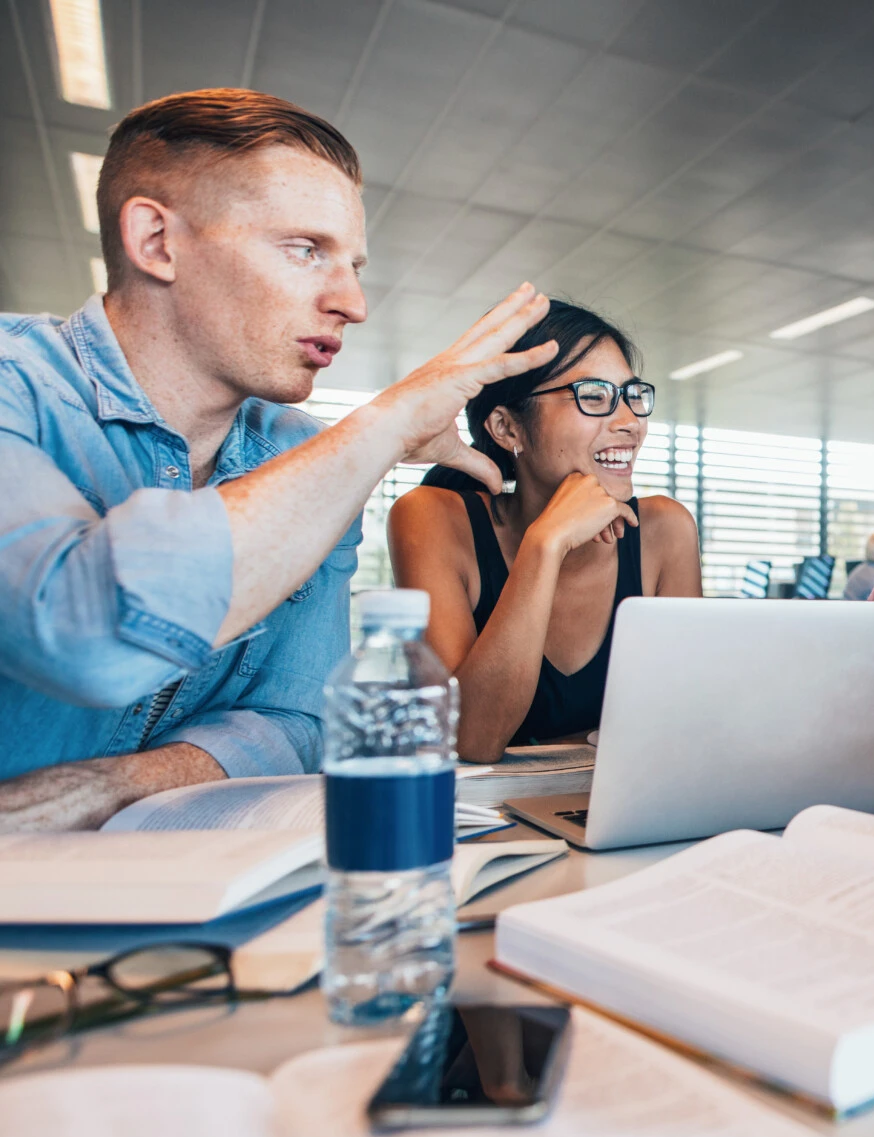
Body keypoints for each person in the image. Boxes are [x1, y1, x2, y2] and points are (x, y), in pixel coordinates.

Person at [0, 88, 554, 832]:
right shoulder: (16, 386)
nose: (352, 303)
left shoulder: (297, 451)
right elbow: (83, 632)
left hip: (165, 890)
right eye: (305, 250)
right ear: (157, 241)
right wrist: (384, 425)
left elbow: (301, 717)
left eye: (353, 264)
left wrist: (116, 785)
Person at [387, 302, 700, 761]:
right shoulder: (432, 518)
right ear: (507, 427)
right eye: (593, 396)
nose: (630, 422)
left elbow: (685, 723)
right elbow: (471, 739)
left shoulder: (664, 529)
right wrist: (546, 544)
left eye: (632, 396)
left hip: (615, 806)